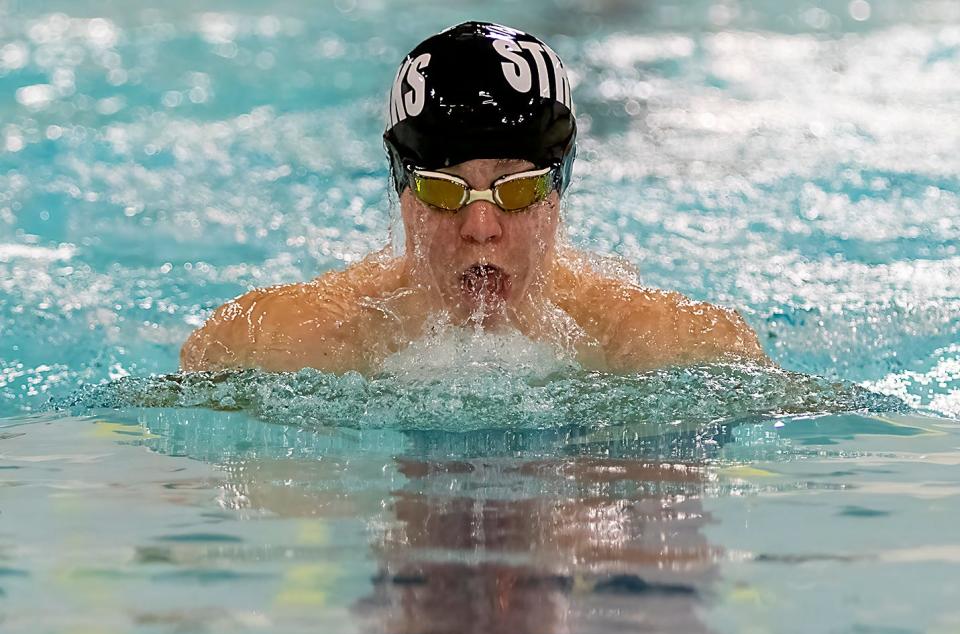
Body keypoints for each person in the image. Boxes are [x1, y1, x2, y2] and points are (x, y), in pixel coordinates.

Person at [180, 21, 769, 375]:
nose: (481, 226)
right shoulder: (285, 340)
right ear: (403, 191)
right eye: (443, 189)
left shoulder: (659, 344)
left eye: (517, 190)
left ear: (558, 189)